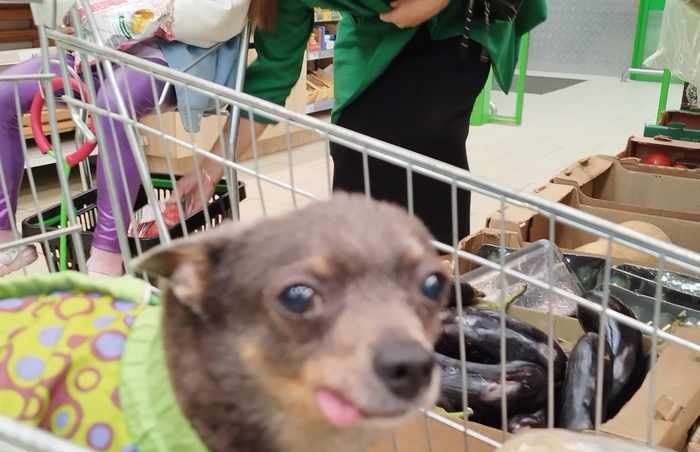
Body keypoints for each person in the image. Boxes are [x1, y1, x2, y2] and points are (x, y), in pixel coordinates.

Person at [179, 0, 547, 245]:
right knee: (356, 149)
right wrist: (210, 169)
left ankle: (439, 286)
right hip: (376, 33)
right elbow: (273, 74)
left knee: (426, 140)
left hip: (458, 20)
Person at [0, 29, 243, 278]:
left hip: (177, 55)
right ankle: (5, 237)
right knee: (3, 92)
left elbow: (217, 17)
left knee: (113, 104)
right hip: (97, 53)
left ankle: (107, 258)